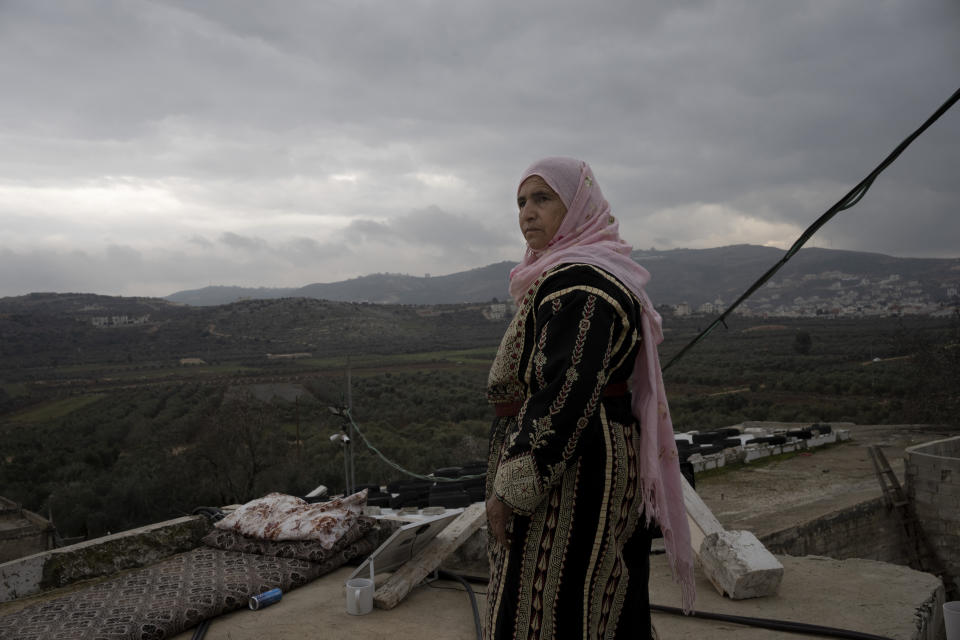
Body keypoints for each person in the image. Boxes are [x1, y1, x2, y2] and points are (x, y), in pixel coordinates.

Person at [484, 157, 694, 640]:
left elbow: (565, 395)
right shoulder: (567, 275)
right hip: (582, 455)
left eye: (543, 199)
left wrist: (512, 488)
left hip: (573, 472)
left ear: (578, 206)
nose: (527, 213)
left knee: (551, 599)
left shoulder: (582, 284)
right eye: (521, 202)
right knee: (593, 591)